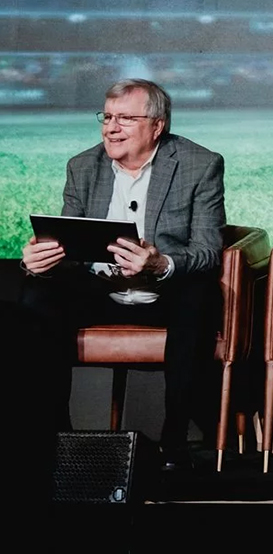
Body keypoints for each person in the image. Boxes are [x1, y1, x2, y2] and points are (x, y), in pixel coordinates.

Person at [19, 79, 225, 471]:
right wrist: (39, 259)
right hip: (102, 289)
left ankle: (174, 442)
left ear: (157, 125)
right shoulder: (83, 166)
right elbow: (70, 243)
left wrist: (159, 264)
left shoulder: (200, 164)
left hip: (165, 292)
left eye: (125, 118)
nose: (111, 128)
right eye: (108, 117)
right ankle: (54, 439)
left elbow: (207, 251)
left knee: (198, 295)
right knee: (37, 292)